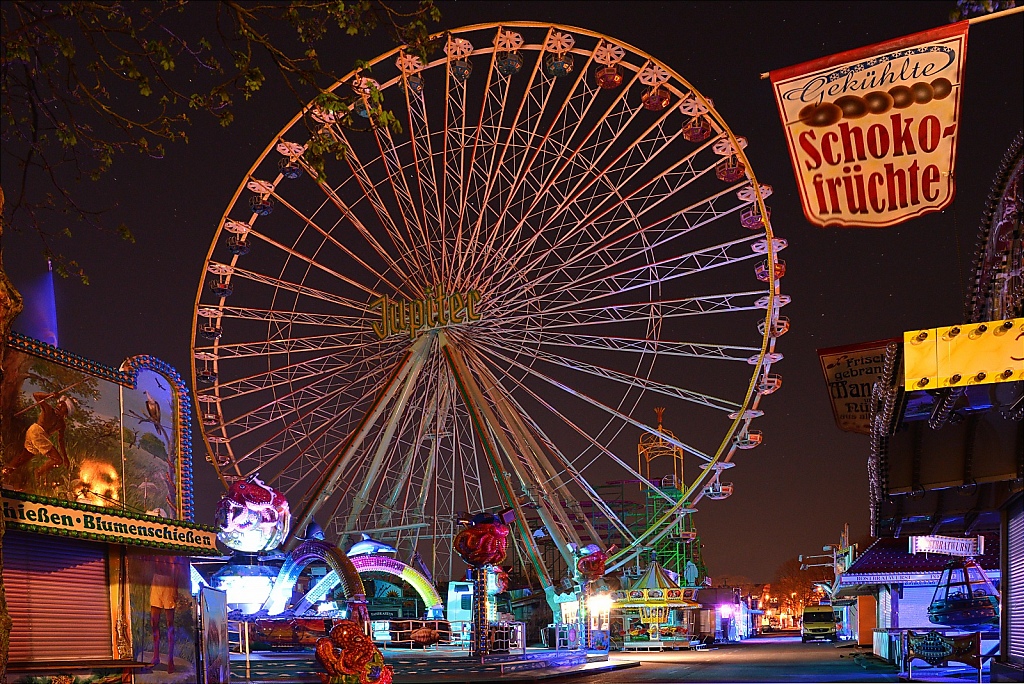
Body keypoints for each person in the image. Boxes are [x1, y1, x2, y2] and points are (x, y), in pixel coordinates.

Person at [3, 392, 72, 487]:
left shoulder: (62, 424)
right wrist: (50, 394)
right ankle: (39, 473)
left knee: (22, 458)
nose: (59, 406)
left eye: (62, 407)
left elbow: (61, 441)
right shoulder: (48, 409)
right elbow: (36, 395)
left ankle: (5, 472)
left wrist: (66, 458)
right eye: (59, 404)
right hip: (37, 432)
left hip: (37, 436)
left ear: (66, 412)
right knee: (57, 460)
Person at [149, 555, 184, 673]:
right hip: (156, 580)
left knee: (170, 624)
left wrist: (175, 587)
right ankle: (156, 656)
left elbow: (177, 568)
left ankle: (170, 660)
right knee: (154, 622)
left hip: (169, 582)